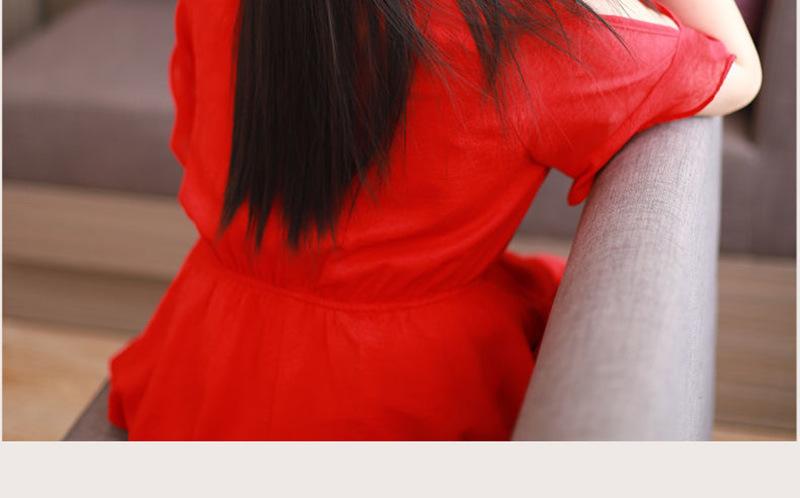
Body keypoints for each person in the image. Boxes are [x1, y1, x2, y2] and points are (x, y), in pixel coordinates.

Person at [107, 0, 761, 440]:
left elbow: (192, 129)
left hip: (207, 357)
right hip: (406, 395)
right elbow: (734, 66)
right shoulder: (532, 30)